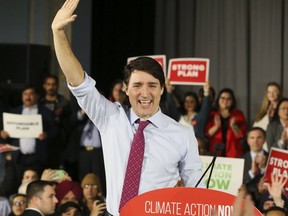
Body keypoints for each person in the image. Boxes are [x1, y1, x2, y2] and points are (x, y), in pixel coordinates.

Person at [51, 1, 203, 215]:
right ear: (126, 89)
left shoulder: (182, 134)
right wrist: (58, 33)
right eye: (137, 85)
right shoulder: (110, 117)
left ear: (161, 89)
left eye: (152, 85)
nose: (145, 93)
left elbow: (197, 190)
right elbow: (79, 83)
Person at [0, 85, 56, 184]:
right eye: (25, 94)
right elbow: (7, 134)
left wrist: (46, 135)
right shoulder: (14, 112)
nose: (28, 97)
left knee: (38, 184)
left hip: (38, 156)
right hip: (18, 157)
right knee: (18, 183)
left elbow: (55, 131)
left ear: (37, 96)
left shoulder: (46, 112)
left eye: (31, 94)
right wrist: (3, 135)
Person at [40, 75, 72, 169]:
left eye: (53, 84)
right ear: (44, 86)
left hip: (59, 146)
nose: (51, 87)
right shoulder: (39, 102)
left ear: (57, 86)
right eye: (48, 84)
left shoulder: (64, 103)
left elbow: (70, 125)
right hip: (42, 144)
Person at [205, 88, 247, 157]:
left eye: (228, 99)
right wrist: (217, 126)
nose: (225, 101)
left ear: (232, 101)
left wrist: (234, 126)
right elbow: (208, 134)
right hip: (215, 152)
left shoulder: (238, 114)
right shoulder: (212, 114)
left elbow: (241, 135)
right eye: (223, 98)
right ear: (218, 100)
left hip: (233, 153)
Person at [253, 82, 282, 151]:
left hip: (279, 148)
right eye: (269, 92)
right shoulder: (263, 111)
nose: (271, 94)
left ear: (279, 93)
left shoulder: (284, 110)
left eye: (274, 91)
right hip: (263, 148)